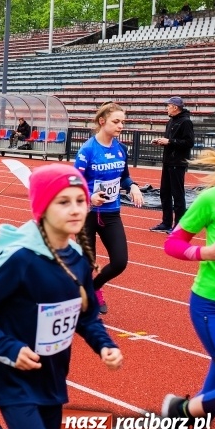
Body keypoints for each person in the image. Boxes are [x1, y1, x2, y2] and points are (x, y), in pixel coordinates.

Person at [0, 164, 122, 429]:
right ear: (43, 208)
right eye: (63, 202)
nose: (75, 209)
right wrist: (10, 349)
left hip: (52, 379)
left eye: (80, 200)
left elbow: (87, 315)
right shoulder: (22, 260)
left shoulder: (79, 259)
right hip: (13, 378)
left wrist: (104, 344)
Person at [157, 149, 215, 429]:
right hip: (213, 307)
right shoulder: (213, 199)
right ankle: (179, 411)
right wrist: (206, 253)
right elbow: (172, 243)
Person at [74, 103, 144, 315]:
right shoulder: (87, 150)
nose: (121, 126)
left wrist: (133, 186)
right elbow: (74, 181)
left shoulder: (121, 149)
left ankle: (94, 289)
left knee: (120, 262)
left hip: (111, 213)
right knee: (87, 263)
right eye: (116, 121)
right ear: (102, 121)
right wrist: (90, 195)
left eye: (123, 122)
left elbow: (124, 176)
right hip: (87, 214)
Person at [151, 96, 194, 233]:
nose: (166, 108)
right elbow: (171, 140)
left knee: (178, 194)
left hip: (178, 163)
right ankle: (166, 222)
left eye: (168, 106)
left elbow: (189, 142)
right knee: (164, 192)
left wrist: (169, 142)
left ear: (175, 107)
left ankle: (178, 225)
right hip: (168, 161)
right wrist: (161, 141)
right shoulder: (171, 121)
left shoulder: (186, 122)